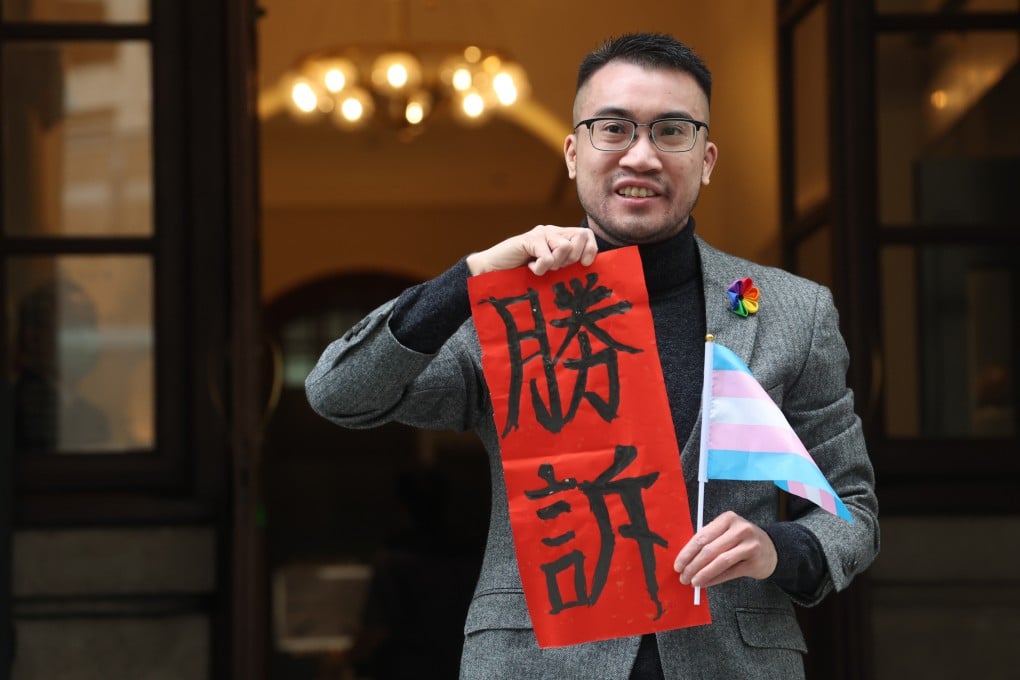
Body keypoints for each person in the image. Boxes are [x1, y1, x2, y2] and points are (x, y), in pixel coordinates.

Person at [306, 32, 879, 680]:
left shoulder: (792, 311)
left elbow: (852, 509)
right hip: (535, 662)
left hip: (732, 661)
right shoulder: (511, 309)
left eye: (672, 131)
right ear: (574, 154)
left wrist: (780, 547)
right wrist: (470, 278)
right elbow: (338, 392)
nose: (642, 155)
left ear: (707, 158)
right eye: (614, 129)